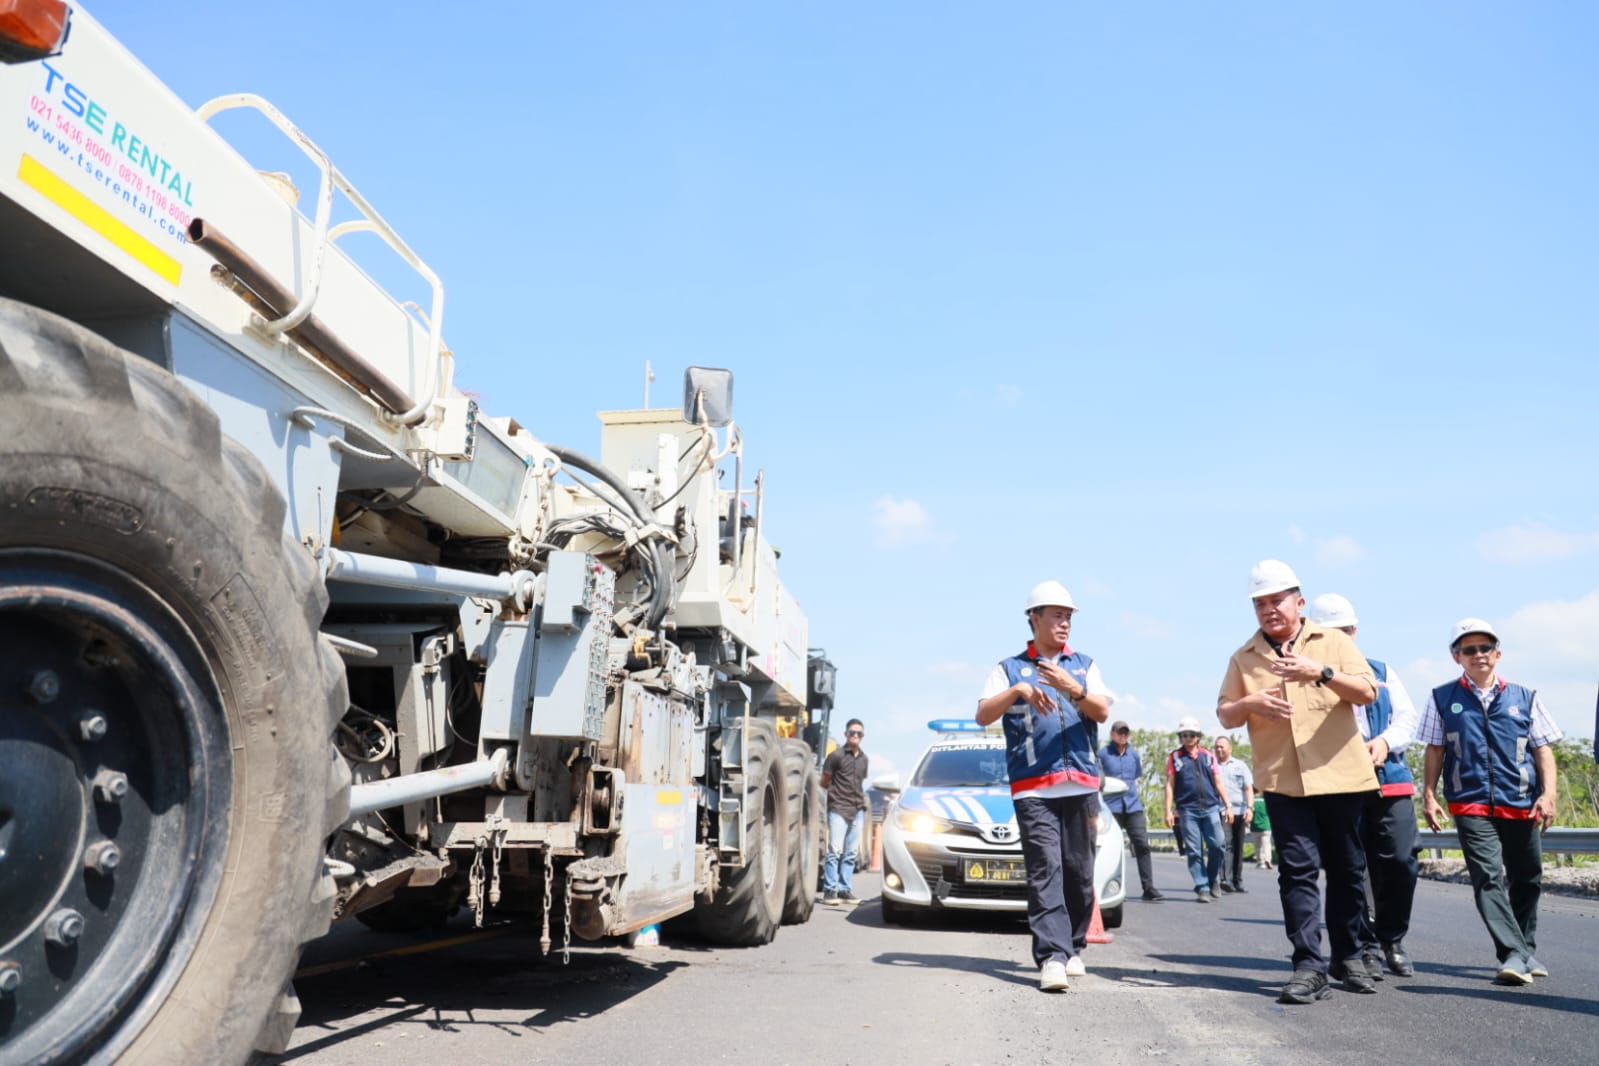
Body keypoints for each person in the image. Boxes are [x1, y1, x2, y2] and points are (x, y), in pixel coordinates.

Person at [1217, 560, 1380, 1004]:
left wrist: (1320, 673)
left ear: (1299, 601)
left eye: (1277, 600)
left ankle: (1347, 956)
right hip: (1284, 782)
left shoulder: (1331, 642)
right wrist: (1249, 701)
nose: (1269, 609)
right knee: (1297, 872)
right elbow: (1225, 715)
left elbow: (1368, 691)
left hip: (1341, 776)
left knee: (1347, 871)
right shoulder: (1244, 658)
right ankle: (1308, 965)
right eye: (1260, 603)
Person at [976, 581, 1115, 992]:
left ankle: (1072, 947)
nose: (1064, 623)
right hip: (1034, 787)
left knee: (1078, 870)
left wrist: (1072, 688)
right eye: (1056, 615)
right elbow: (983, 714)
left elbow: (1102, 711)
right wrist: (1018, 690)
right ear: (1033, 618)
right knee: (1045, 870)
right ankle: (1051, 956)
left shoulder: (1084, 665)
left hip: (1081, 784)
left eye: (1068, 616)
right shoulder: (1009, 668)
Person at [1420, 619, 1561, 986]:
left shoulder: (1524, 696)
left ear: (1497, 654)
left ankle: (1524, 950)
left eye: (1485, 648)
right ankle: (1512, 953)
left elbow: (1542, 748)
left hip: (1521, 801)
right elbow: (1435, 749)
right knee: (1488, 876)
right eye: (1469, 650)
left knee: (1528, 876)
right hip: (1469, 801)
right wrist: (1430, 794)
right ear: (1457, 657)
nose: (1478, 655)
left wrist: (1549, 794)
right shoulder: (1442, 698)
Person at [1309, 593, 1421, 980]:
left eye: (1346, 631)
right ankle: (1364, 947)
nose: (1341, 638)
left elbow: (1408, 717)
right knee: (1350, 869)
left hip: (1389, 779)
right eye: (1331, 632)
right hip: (1340, 785)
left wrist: (1385, 742)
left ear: (1355, 631)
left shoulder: (1382, 671)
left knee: (1401, 862)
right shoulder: (1313, 678)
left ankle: (1393, 938)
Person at [1163, 719, 1231, 902]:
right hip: (1187, 810)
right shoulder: (1175, 757)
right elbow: (1170, 785)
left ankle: (1213, 879)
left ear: (1198, 737)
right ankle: (1202, 886)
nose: (1188, 738)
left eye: (1192, 735)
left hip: (1210, 808)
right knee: (1194, 851)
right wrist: (1168, 810)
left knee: (1218, 844)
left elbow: (1218, 782)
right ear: (1180, 737)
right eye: (1184, 735)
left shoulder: (1209, 756)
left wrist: (1228, 805)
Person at [1099, 720, 1165, 901]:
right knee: (1111, 848)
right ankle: (1111, 888)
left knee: (1142, 845)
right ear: (1112, 734)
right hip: (1111, 807)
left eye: (1125, 733)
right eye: (1119, 732)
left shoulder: (1134, 755)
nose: (1123, 735)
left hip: (1133, 806)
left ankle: (1148, 888)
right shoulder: (1103, 755)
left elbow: (1136, 777)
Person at [820, 718, 870, 905]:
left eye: (859, 733)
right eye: (852, 733)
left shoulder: (864, 759)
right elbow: (825, 781)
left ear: (862, 736)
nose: (855, 736)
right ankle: (829, 891)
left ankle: (844, 889)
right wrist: (835, 795)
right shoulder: (836, 756)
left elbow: (859, 783)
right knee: (835, 850)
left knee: (850, 853)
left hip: (857, 809)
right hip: (839, 807)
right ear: (846, 734)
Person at [1214, 736, 1254, 894]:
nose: (1219, 749)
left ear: (1230, 748)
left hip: (1240, 811)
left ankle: (1238, 880)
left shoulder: (1240, 766)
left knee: (1238, 846)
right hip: (1222, 811)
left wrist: (1250, 808)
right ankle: (1226, 879)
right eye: (1216, 747)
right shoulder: (1212, 766)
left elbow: (1248, 788)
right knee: (1226, 843)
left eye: (1222, 747)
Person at [1252, 793, 1273, 868]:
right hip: (1266, 826)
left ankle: (1261, 862)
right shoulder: (1266, 801)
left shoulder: (1252, 801)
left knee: (1258, 846)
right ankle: (1268, 859)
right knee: (1267, 844)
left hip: (1255, 826)